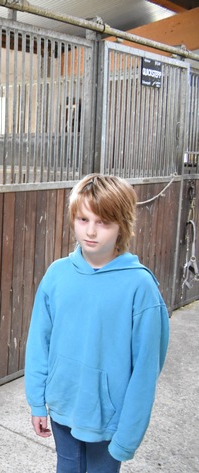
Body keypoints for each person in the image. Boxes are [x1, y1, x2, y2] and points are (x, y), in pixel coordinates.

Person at [25, 173, 170, 472]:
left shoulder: (140, 287)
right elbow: (39, 342)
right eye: (83, 219)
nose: (91, 231)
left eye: (103, 222)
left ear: (122, 225)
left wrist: (128, 436)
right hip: (62, 411)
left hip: (109, 423)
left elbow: (146, 370)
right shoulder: (57, 275)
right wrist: (37, 402)